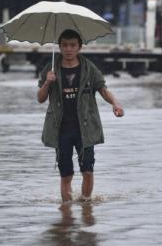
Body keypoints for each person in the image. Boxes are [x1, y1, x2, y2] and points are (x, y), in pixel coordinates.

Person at [37, 29, 124, 203]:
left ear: (79, 47)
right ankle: (67, 211)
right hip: (61, 129)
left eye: (72, 45)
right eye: (64, 45)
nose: (68, 49)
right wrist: (47, 82)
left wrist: (115, 103)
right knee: (66, 174)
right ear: (59, 47)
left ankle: (86, 205)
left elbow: (103, 89)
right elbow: (40, 98)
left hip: (85, 128)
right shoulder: (51, 68)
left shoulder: (88, 67)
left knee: (88, 171)